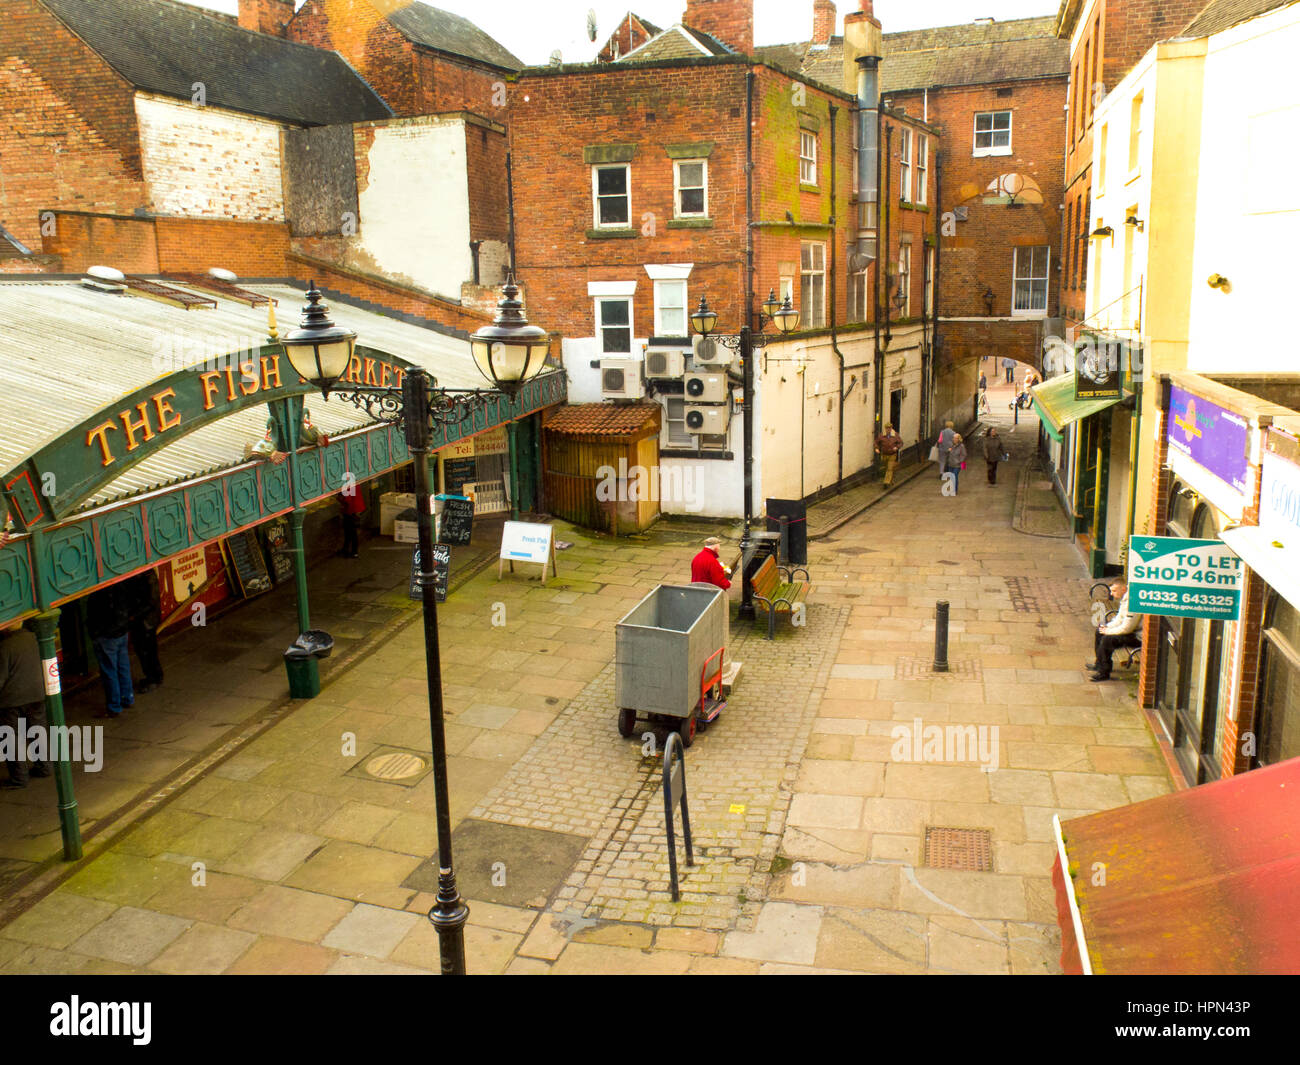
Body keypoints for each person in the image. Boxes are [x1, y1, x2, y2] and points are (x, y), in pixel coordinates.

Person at [0, 624, 48, 788]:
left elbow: (1, 676)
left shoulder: (4, 646)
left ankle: (19, 777)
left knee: (10, 738)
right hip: (36, 693)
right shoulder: (34, 638)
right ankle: (43, 766)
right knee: (37, 731)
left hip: (12, 699)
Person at [85, 582, 134, 718]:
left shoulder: (97, 594)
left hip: (106, 636)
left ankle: (114, 706)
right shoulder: (120, 586)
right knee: (123, 666)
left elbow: (93, 616)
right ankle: (127, 697)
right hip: (121, 632)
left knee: (109, 671)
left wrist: (95, 633)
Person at [1087, 580, 1142, 681]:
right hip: (1131, 631)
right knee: (1099, 631)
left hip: (1138, 636)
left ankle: (1104, 672)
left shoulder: (1132, 602)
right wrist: (1107, 627)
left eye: (1114, 591)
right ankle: (1099, 664)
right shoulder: (1126, 599)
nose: (1111, 594)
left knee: (1108, 640)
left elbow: (1126, 628)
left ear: (1124, 589)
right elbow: (1119, 619)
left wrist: (1108, 631)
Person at [125, 570, 163, 693]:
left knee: (147, 651)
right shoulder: (145, 575)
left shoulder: (147, 577)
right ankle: (153, 677)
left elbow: (151, 602)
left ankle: (153, 678)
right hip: (144, 620)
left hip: (145, 622)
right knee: (146, 650)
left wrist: (133, 615)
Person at [339, 484, 365, 559]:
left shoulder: (346, 483)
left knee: (350, 531)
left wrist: (341, 500)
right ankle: (346, 549)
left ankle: (354, 552)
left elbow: (348, 499)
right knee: (351, 531)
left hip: (351, 510)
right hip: (356, 507)